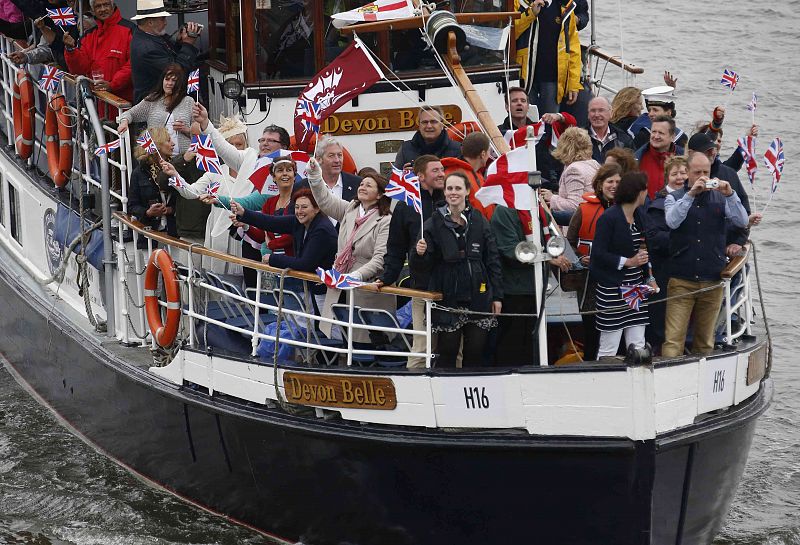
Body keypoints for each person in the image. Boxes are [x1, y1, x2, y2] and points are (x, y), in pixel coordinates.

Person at [661, 152, 749, 358]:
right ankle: (671, 383)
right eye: (697, 172)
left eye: (706, 172)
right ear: (687, 174)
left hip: (712, 280)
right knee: (673, 340)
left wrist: (730, 194)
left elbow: (742, 221)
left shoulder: (722, 197)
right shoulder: (673, 197)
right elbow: (672, 222)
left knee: (705, 342)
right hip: (682, 279)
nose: (702, 176)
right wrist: (690, 194)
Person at [412, 172, 502, 368]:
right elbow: (422, 266)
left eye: (458, 188)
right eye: (449, 188)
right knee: (448, 351)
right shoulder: (433, 222)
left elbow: (492, 258)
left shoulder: (478, 219)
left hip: (478, 293)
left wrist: (497, 297)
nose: (453, 192)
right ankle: (447, 395)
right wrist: (419, 253)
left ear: (467, 191)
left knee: (475, 352)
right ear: (444, 192)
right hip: (448, 295)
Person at [305, 158, 394, 343]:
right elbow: (325, 200)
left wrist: (354, 278)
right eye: (361, 184)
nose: (362, 187)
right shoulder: (351, 209)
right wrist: (314, 175)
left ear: (379, 195)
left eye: (369, 185)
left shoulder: (386, 220)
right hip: (341, 285)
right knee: (342, 340)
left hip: (366, 290)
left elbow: (379, 260)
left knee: (365, 343)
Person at [376, 155, 445, 368]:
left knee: (453, 346)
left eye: (443, 170)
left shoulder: (451, 200)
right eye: (436, 170)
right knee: (421, 345)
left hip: (452, 285)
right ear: (421, 176)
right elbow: (395, 247)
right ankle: (415, 388)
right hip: (422, 286)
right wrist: (387, 277)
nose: (442, 174)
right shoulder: (406, 208)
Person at [181, 110, 260, 274]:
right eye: (230, 145)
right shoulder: (214, 173)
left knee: (249, 285)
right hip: (219, 235)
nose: (235, 149)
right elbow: (191, 192)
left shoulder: (255, 173)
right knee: (221, 286)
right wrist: (175, 177)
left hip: (245, 236)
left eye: (239, 145)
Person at [589, 172, 656, 357]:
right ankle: (605, 381)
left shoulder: (639, 216)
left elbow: (644, 251)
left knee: (638, 345)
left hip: (636, 289)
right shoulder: (609, 218)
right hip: (613, 290)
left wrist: (650, 277)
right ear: (638, 192)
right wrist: (628, 262)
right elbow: (598, 254)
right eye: (645, 190)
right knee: (609, 346)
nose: (647, 193)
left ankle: (637, 379)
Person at [566, 163, 622, 361]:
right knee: (592, 332)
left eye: (618, 181)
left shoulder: (629, 209)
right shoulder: (583, 210)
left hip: (618, 278)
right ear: (599, 184)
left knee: (618, 330)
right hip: (590, 281)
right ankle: (591, 367)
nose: (614, 185)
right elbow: (570, 242)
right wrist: (581, 259)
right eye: (610, 181)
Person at [230, 188, 337, 273]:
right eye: (297, 207)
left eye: (304, 207)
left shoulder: (322, 230)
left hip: (324, 288)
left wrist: (272, 259)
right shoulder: (299, 221)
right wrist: (244, 213)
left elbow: (305, 263)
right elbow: (270, 222)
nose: (299, 211)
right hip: (310, 284)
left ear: (317, 209)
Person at [644, 156, 688, 352]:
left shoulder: (695, 198)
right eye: (675, 173)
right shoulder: (657, 205)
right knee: (661, 313)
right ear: (666, 177)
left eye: (683, 173)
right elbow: (655, 239)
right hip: (664, 269)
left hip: (687, 269)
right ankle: (659, 349)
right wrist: (682, 241)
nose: (680, 177)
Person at [513, 0, 581, 115]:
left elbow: (573, 48)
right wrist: (530, 14)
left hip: (553, 81)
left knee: (549, 125)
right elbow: (509, 33)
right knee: (524, 124)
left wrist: (573, 83)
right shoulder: (519, 3)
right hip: (525, 78)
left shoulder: (565, 6)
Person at [63, 0, 134, 103]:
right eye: (98, 6)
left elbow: (133, 65)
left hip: (123, 103)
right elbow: (80, 69)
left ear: (113, 6)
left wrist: (112, 84)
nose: (103, 9)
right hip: (96, 102)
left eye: (106, 5)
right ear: (93, 10)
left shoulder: (129, 30)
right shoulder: (88, 36)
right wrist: (71, 50)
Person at [130, 0, 200, 103]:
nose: (166, 23)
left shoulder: (150, 36)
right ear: (150, 22)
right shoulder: (147, 48)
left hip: (163, 101)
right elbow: (176, 72)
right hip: (154, 107)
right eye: (163, 19)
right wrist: (188, 44)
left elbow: (170, 56)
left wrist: (180, 43)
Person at [119, 64, 195, 155]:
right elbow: (130, 113)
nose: (169, 83)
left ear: (180, 83)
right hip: (158, 157)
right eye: (167, 79)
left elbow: (199, 133)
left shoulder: (189, 102)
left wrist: (186, 130)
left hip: (183, 158)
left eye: (174, 80)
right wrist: (124, 122)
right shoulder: (152, 100)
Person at [539, 127, 600, 225]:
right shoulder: (594, 164)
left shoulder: (574, 169)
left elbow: (575, 205)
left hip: (579, 229)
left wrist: (551, 198)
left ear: (565, 146)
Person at [127, 127, 178, 243]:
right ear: (157, 145)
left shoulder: (176, 167)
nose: (173, 143)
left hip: (174, 233)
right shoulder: (139, 173)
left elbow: (185, 199)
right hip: (149, 234)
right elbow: (132, 206)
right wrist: (148, 212)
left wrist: (171, 210)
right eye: (168, 140)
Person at [294, 136, 360, 222]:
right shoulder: (302, 187)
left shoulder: (357, 183)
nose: (337, 160)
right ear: (318, 159)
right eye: (331, 156)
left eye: (339, 155)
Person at [441, 131, 492, 220]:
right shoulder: (457, 175)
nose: (489, 155)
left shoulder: (475, 173)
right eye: (489, 151)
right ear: (483, 154)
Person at [393, 106, 461, 167]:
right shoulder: (405, 149)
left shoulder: (457, 149)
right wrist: (404, 174)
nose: (429, 126)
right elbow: (393, 177)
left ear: (442, 124)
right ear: (419, 125)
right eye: (425, 122)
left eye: (433, 122)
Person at [635, 115, 683, 199]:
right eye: (653, 132)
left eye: (661, 133)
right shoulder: (637, 158)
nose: (656, 136)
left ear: (672, 137)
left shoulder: (684, 159)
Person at [586, 96, 633, 163]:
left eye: (601, 110)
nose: (596, 114)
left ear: (611, 113)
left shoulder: (623, 139)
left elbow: (631, 167)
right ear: (588, 114)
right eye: (593, 110)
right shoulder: (579, 139)